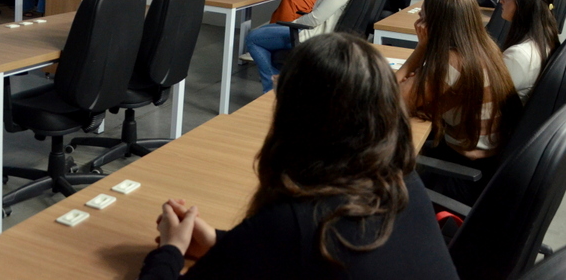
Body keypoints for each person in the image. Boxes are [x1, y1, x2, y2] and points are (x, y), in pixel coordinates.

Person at [139, 33, 459, 280]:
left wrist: (171, 249)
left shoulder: (295, 221)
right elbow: (295, 256)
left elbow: (289, 244)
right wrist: (219, 243)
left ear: (295, 117)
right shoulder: (402, 183)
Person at [396, 0, 520, 204]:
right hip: (485, 164)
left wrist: (421, 48)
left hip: (461, 174)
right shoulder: (483, 47)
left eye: (422, 16)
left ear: (435, 24)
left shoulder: (451, 62)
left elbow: (392, 100)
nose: (418, 22)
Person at [500, 0, 560, 103]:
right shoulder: (548, 40)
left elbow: (487, 100)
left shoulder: (517, 55)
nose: (501, 0)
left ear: (523, 3)